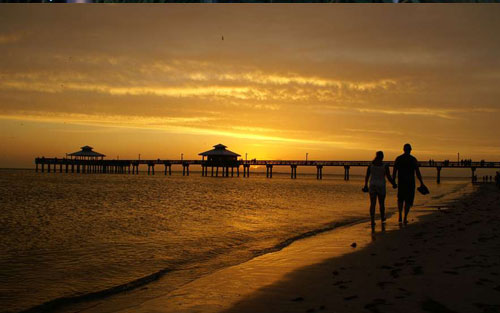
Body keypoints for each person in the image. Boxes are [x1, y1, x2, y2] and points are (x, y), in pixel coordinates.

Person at [392, 143, 426, 224]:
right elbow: (417, 172)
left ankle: (400, 214)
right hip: (410, 183)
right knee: (408, 200)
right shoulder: (413, 159)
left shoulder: (399, 158)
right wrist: (421, 182)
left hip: (401, 182)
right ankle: (405, 217)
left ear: (403, 149)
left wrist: (393, 181)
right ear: (410, 150)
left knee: (400, 199)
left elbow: (394, 171)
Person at [363, 151, 396, 226]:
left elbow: (367, 176)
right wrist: (394, 184)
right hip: (381, 186)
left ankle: (372, 220)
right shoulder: (385, 166)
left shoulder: (371, 165)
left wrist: (365, 185)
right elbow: (388, 177)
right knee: (381, 204)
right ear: (382, 157)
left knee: (373, 204)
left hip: (372, 185)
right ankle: (382, 218)